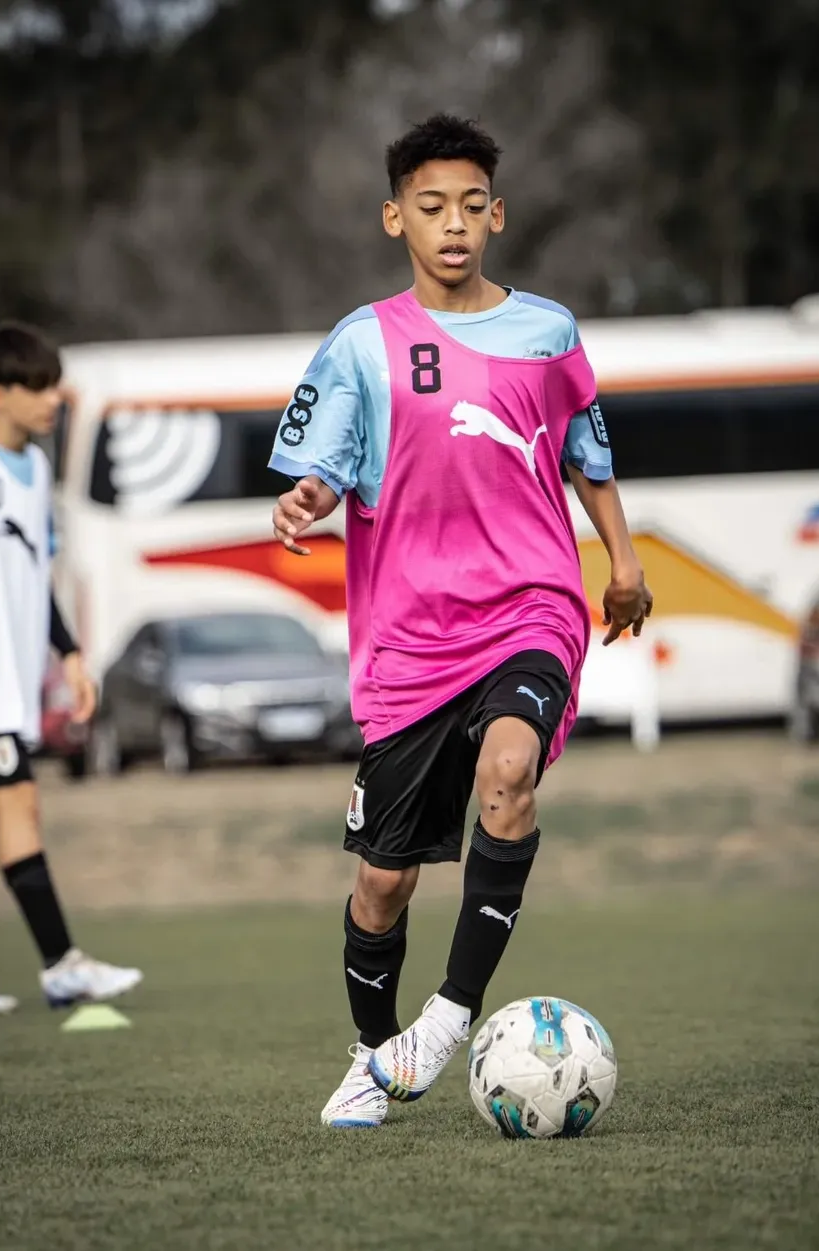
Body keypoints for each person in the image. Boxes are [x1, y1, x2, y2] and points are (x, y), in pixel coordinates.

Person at [268, 115, 652, 1127]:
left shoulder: (549, 332)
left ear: (498, 214)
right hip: (406, 646)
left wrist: (620, 560)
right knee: (382, 882)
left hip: (530, 606)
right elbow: (319, 466)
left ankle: (446, 1020)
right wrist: (306, 499)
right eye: (430, 207)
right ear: (396, 217)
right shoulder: (360, 344)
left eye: (471, 207)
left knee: (509, 769)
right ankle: (370, 1054)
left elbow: (586, 452)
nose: (453, 225)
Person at [0, 321, 143, 1015]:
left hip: (9, 684)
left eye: (54, 386)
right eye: (37, 388)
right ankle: (62, 963)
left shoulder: (37, 470)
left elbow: (35, 577)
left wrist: (70, 655)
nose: (51, 401)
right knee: (21, 803)